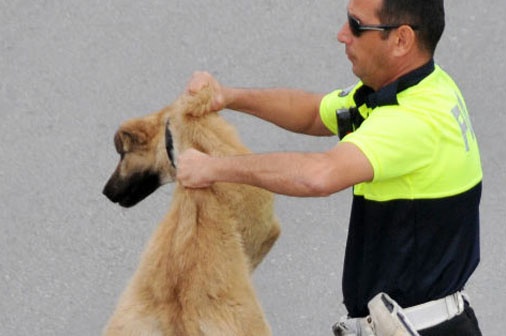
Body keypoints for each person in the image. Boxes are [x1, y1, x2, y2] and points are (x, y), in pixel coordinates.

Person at [177, 0, 483, 334]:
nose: (342, 35)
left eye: (356, 25)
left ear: (401, 40)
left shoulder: (416, 121)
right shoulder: (420, 87)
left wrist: (213, 169)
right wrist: (228, 96)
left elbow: (318, 176)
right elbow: (313, 113)